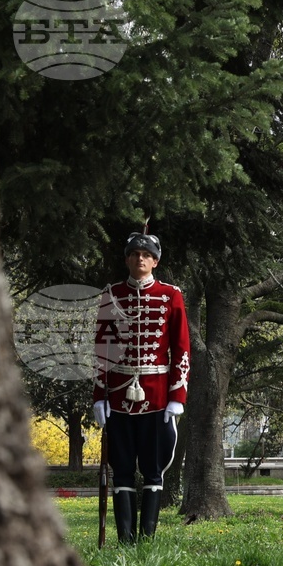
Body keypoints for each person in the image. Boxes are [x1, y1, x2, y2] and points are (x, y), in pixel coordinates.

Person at [93, 232, 190, 543]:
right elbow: (101, 349)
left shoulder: (171, 295)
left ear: (155, 261)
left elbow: (182, 348)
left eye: (146, 254)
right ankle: (125, 541)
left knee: (153, 470)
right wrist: (100, 396)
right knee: (121, 470)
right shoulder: (111, 294)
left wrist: (177, 396)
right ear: (127, 259)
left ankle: (146, 541)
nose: (140, 259)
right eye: (134, 254)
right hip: (119, 396)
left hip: (158, 396)